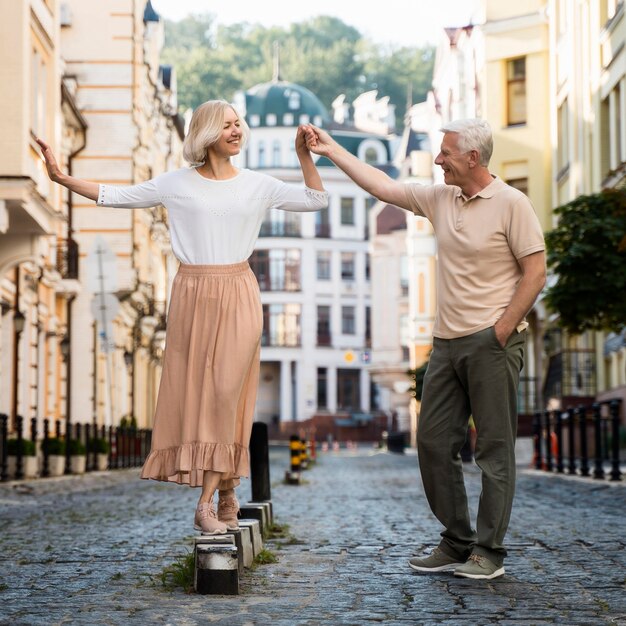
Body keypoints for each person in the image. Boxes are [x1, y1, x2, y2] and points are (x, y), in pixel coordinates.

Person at [37, 100, 328, 535]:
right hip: (192, 291)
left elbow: (317, 199)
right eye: (227, 125)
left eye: (238, 124)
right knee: (204, 396)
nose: (236, 131)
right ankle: (227, 488)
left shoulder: (257, 184)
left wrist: (303, 156)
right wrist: (61, 178)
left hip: (239, 290)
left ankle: (206, 503)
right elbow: (116, 196)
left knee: (228, 393)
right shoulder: (177, 184)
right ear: (208, 133)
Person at [304, 118, 545, 579]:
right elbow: (385, 188)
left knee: (494, 449)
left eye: (446, 153)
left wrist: (501, 330)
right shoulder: (440, 198)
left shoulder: (513, 204)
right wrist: (329, 150)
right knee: (432, 441)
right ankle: (457, 541)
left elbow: (534, 272)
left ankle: (489, 552)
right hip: (445, 344)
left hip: (492, 341)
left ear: (473, 158)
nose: (438, 160)